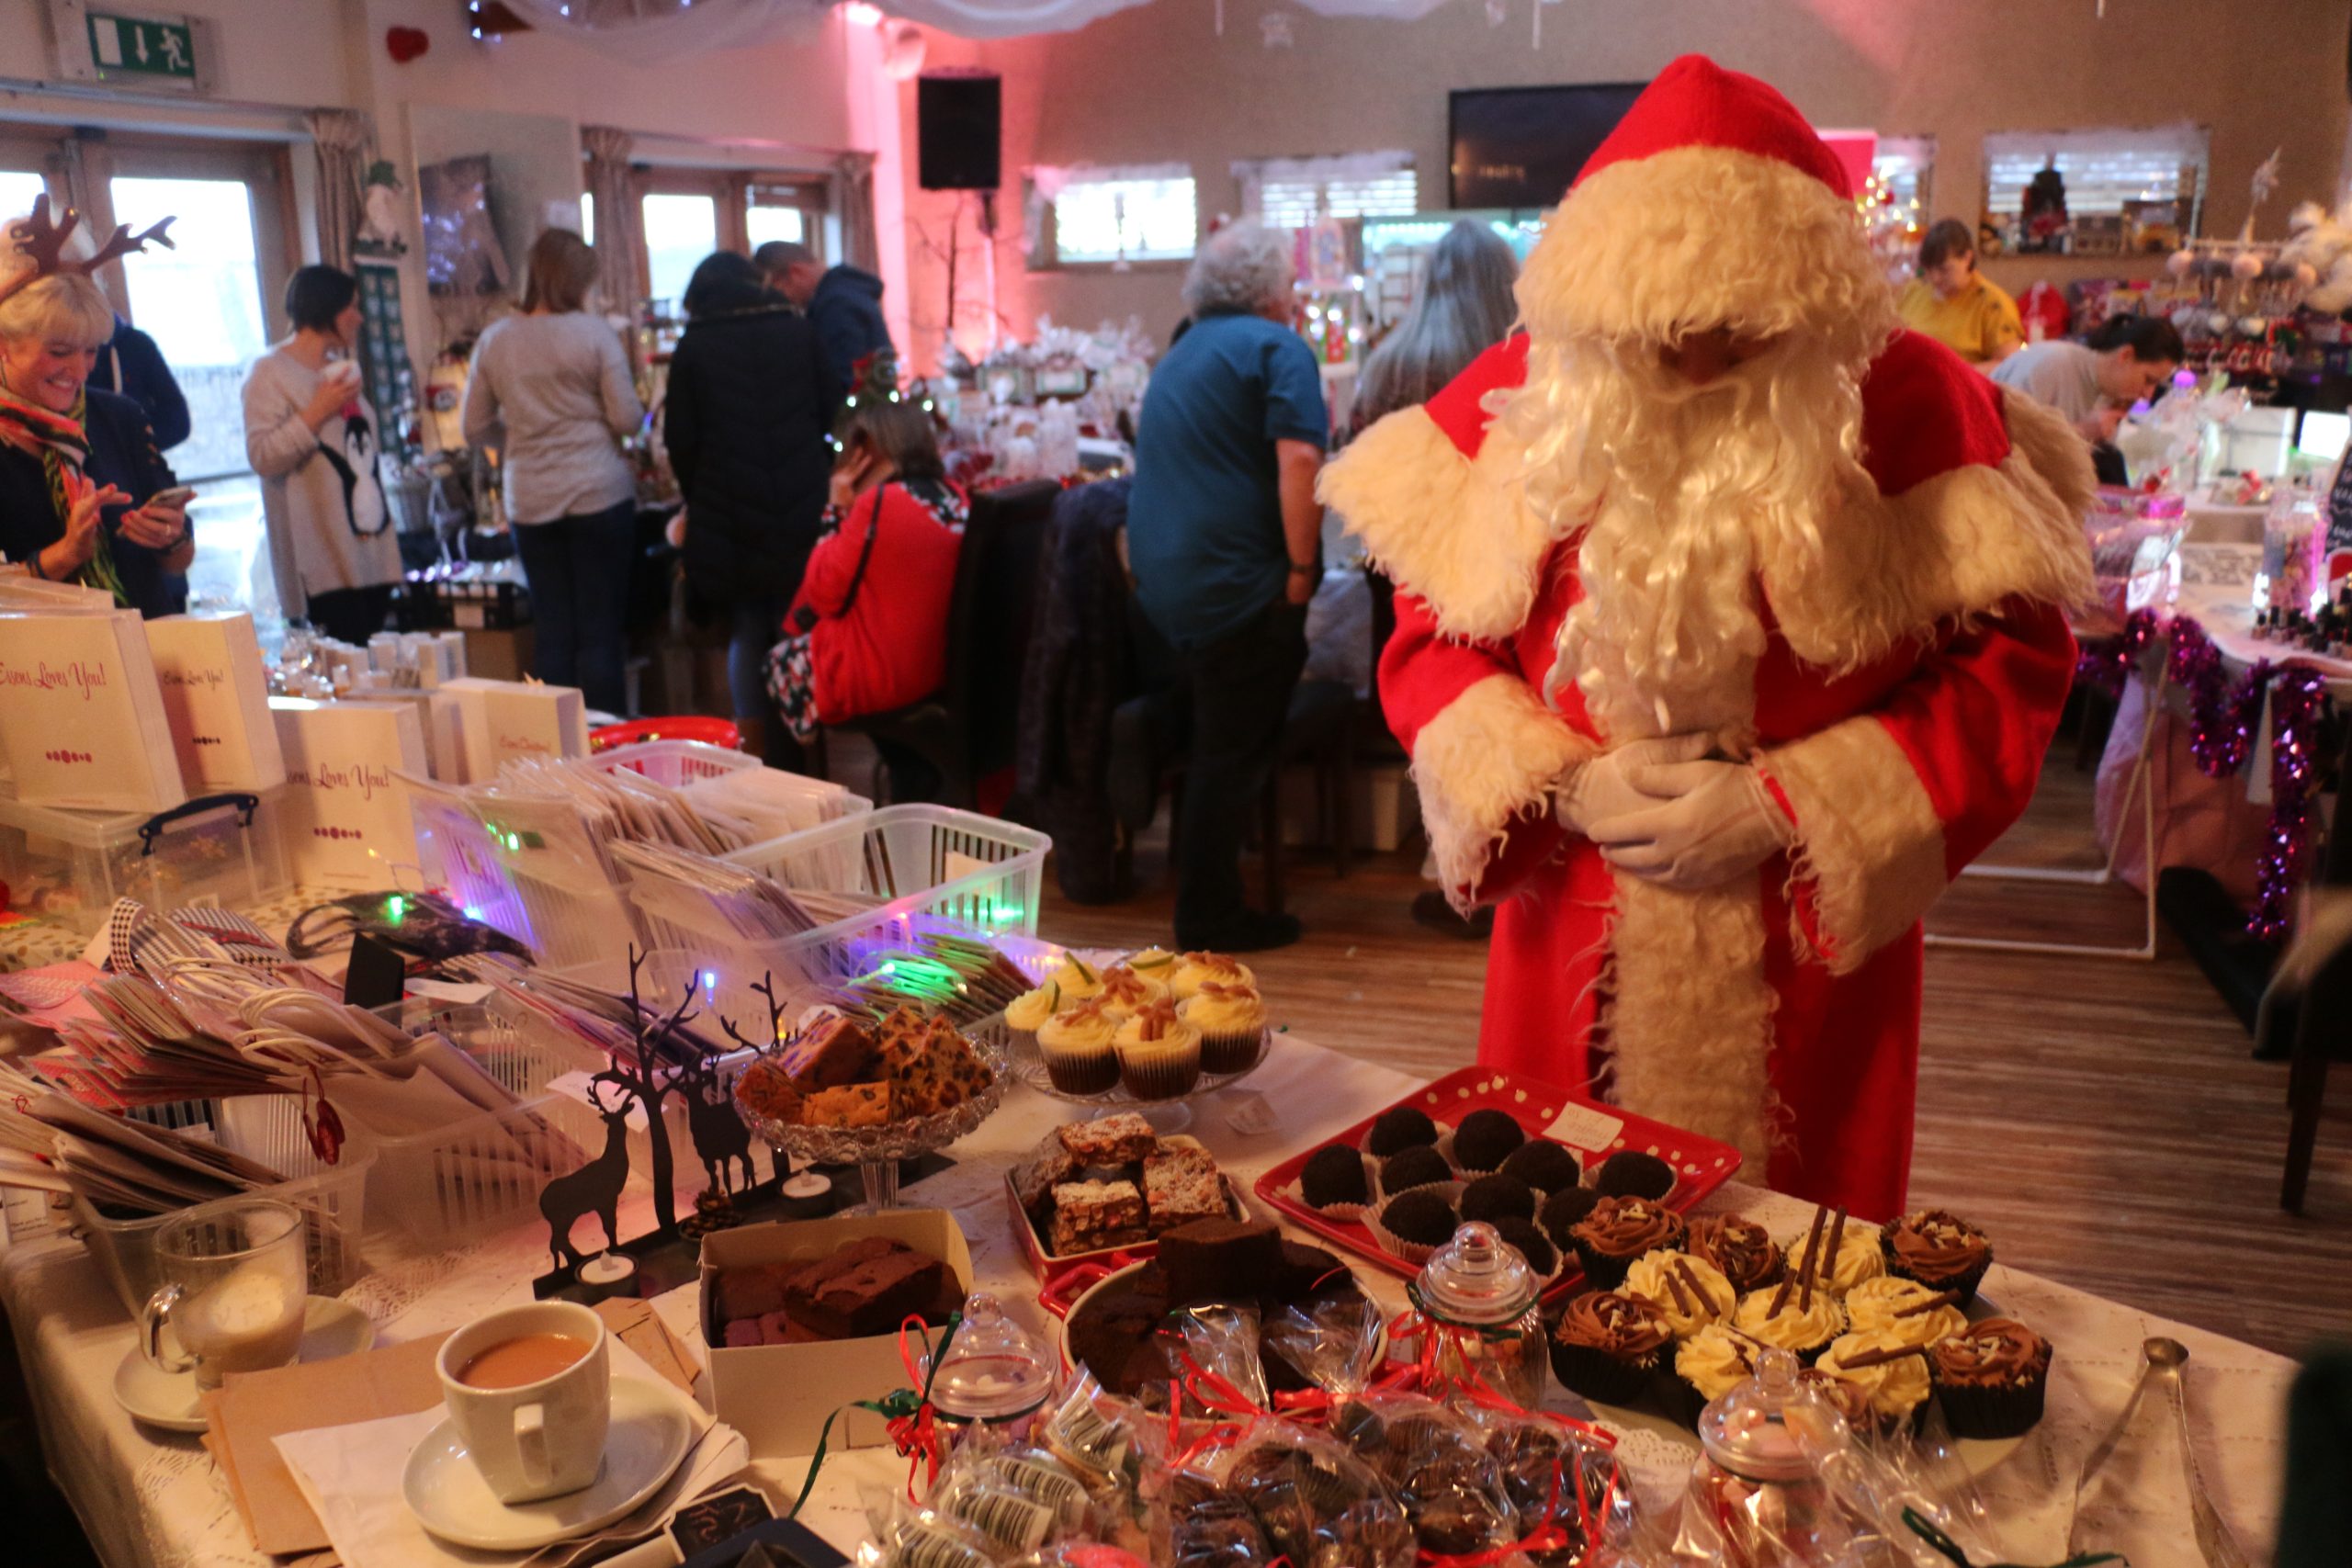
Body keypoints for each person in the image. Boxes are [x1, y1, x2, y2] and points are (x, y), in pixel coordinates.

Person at [1321, 56, 2094, 1219]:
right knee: (1548, 1236)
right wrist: (1562, 786)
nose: (1695, 364)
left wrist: (1794, 806)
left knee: (1795, 1281)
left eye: (1740, 330)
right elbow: (1426, 647)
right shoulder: (1523, 402)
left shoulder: (1915, 404)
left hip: (1811, 957)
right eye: (1661, 329)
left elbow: (2014, 672)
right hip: (1571, 927)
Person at [1125, 221, 1327, 953]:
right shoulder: (1279, 348)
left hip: (1162, 592)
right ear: (1275, 290)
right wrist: (1302, 574)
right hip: (1237, 589)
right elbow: (1302, 457)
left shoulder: (1180, 352)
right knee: (1231, 753)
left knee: (1215, 745)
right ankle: (1210, 915)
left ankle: (1208, 890)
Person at [1349, 220, 1521, 941]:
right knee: (1504, 713)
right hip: (1497, 567)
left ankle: (1448, 869)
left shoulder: (1390, 362)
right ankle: (1504, 871)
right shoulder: (1516, 360)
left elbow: (1359, 467)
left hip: (1403, 570)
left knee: (1430, 718)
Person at [461, 229, 646, 714]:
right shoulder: (594, 334)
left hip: (531, 497)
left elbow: (474, 425)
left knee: (554, 631)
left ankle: (557, 749)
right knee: (600, 633)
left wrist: (520, 437)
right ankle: (606, 746)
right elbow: (627, 419)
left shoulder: (496, 338)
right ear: (577, 281)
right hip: (598, 492)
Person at [662, 250, 834, 764]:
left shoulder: (695, 346)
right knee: (794, 621)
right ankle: (803, 736)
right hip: (801, 498)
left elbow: (680, 439)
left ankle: (754, 749)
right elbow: (832, 407)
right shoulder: (798, 330)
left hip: (727, 508)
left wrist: (703, 493)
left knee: (746, 627)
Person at [764, 367, 965, 799]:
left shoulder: (880, 504)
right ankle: (907, 769)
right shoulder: (955, 496)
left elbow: (823, 593)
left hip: (889, 674)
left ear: (868, 453)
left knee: (779, 662)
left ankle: (793, 801)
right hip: (944, 666)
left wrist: (838, 506)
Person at [0, 207, 191, 615]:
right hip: (42, 669)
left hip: (148, 648)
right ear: (4, 345)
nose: (78, 371)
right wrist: (64, 555)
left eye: (90, 351)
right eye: (59, 352)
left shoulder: (120, 417)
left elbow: (178, 561)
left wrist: (170, 535)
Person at [243, 265, 400, 643]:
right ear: (326, 308)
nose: (360, 318)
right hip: (321, 565)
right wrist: (316, 411)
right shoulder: (269, 372)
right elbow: (262, 456)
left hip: (370, 555)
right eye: (352, 307)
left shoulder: (338, 370)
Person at [1354, 220, 1520, 424]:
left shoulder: (1389, 370)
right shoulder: (1532, 365)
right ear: (1509, 286)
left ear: (1427, 281)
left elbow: (1363, 447)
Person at [1990, 312, 2184, 444]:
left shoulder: (2106, 392)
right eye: (2148, 380)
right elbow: (2000, 438)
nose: (2147, 395)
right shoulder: (2052, 365)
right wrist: (2080, 432)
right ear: (2125, 355)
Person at [754, 241, 888, 401]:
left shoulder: (835, 305)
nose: (785, 300)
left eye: (780, 290)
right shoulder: (847, 294)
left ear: (796, 273)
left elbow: (845, 383)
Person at [1895, 219, 2024, 367]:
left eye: (1944, 270)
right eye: (1929, 270)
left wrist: (1955, 374)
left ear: (1967, 259)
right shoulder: (1914, 291)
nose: (1935, 279)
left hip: (1960, 385)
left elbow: (2009, 365)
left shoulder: (1993, 302)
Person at [90, 313, 190, 450]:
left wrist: (136, 449)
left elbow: (178, 420)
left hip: (131, 465)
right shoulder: (59, 355)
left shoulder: (136, 344)